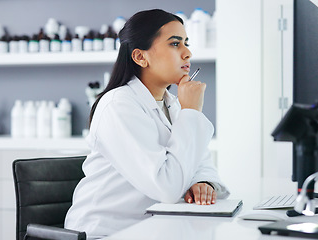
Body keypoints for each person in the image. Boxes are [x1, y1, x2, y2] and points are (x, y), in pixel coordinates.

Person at [64, 9, 230, 239]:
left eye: (186, 43)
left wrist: (202, 182)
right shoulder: (118, 105)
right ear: (140, 57)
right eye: (175, 44)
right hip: (105, 233)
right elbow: (167, 187)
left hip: (152, 228)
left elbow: (200, 160)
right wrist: (192, 112)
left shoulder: (172, 104)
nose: (187, 53)